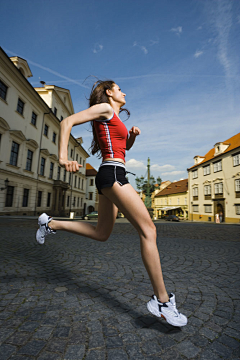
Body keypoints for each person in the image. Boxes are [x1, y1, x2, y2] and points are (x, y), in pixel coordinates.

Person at [36, 80, 187, 327]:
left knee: (102, 233)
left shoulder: (114, 117)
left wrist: (132, 137)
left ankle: (51, 224)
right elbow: (66, 122)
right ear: (109, 92)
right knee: (149, 230)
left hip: (113, 172)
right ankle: (162, 301)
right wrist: (63, 157)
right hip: (113, 174)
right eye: (119, 88)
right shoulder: (104, 108)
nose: (124, 92)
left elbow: (121, 148)